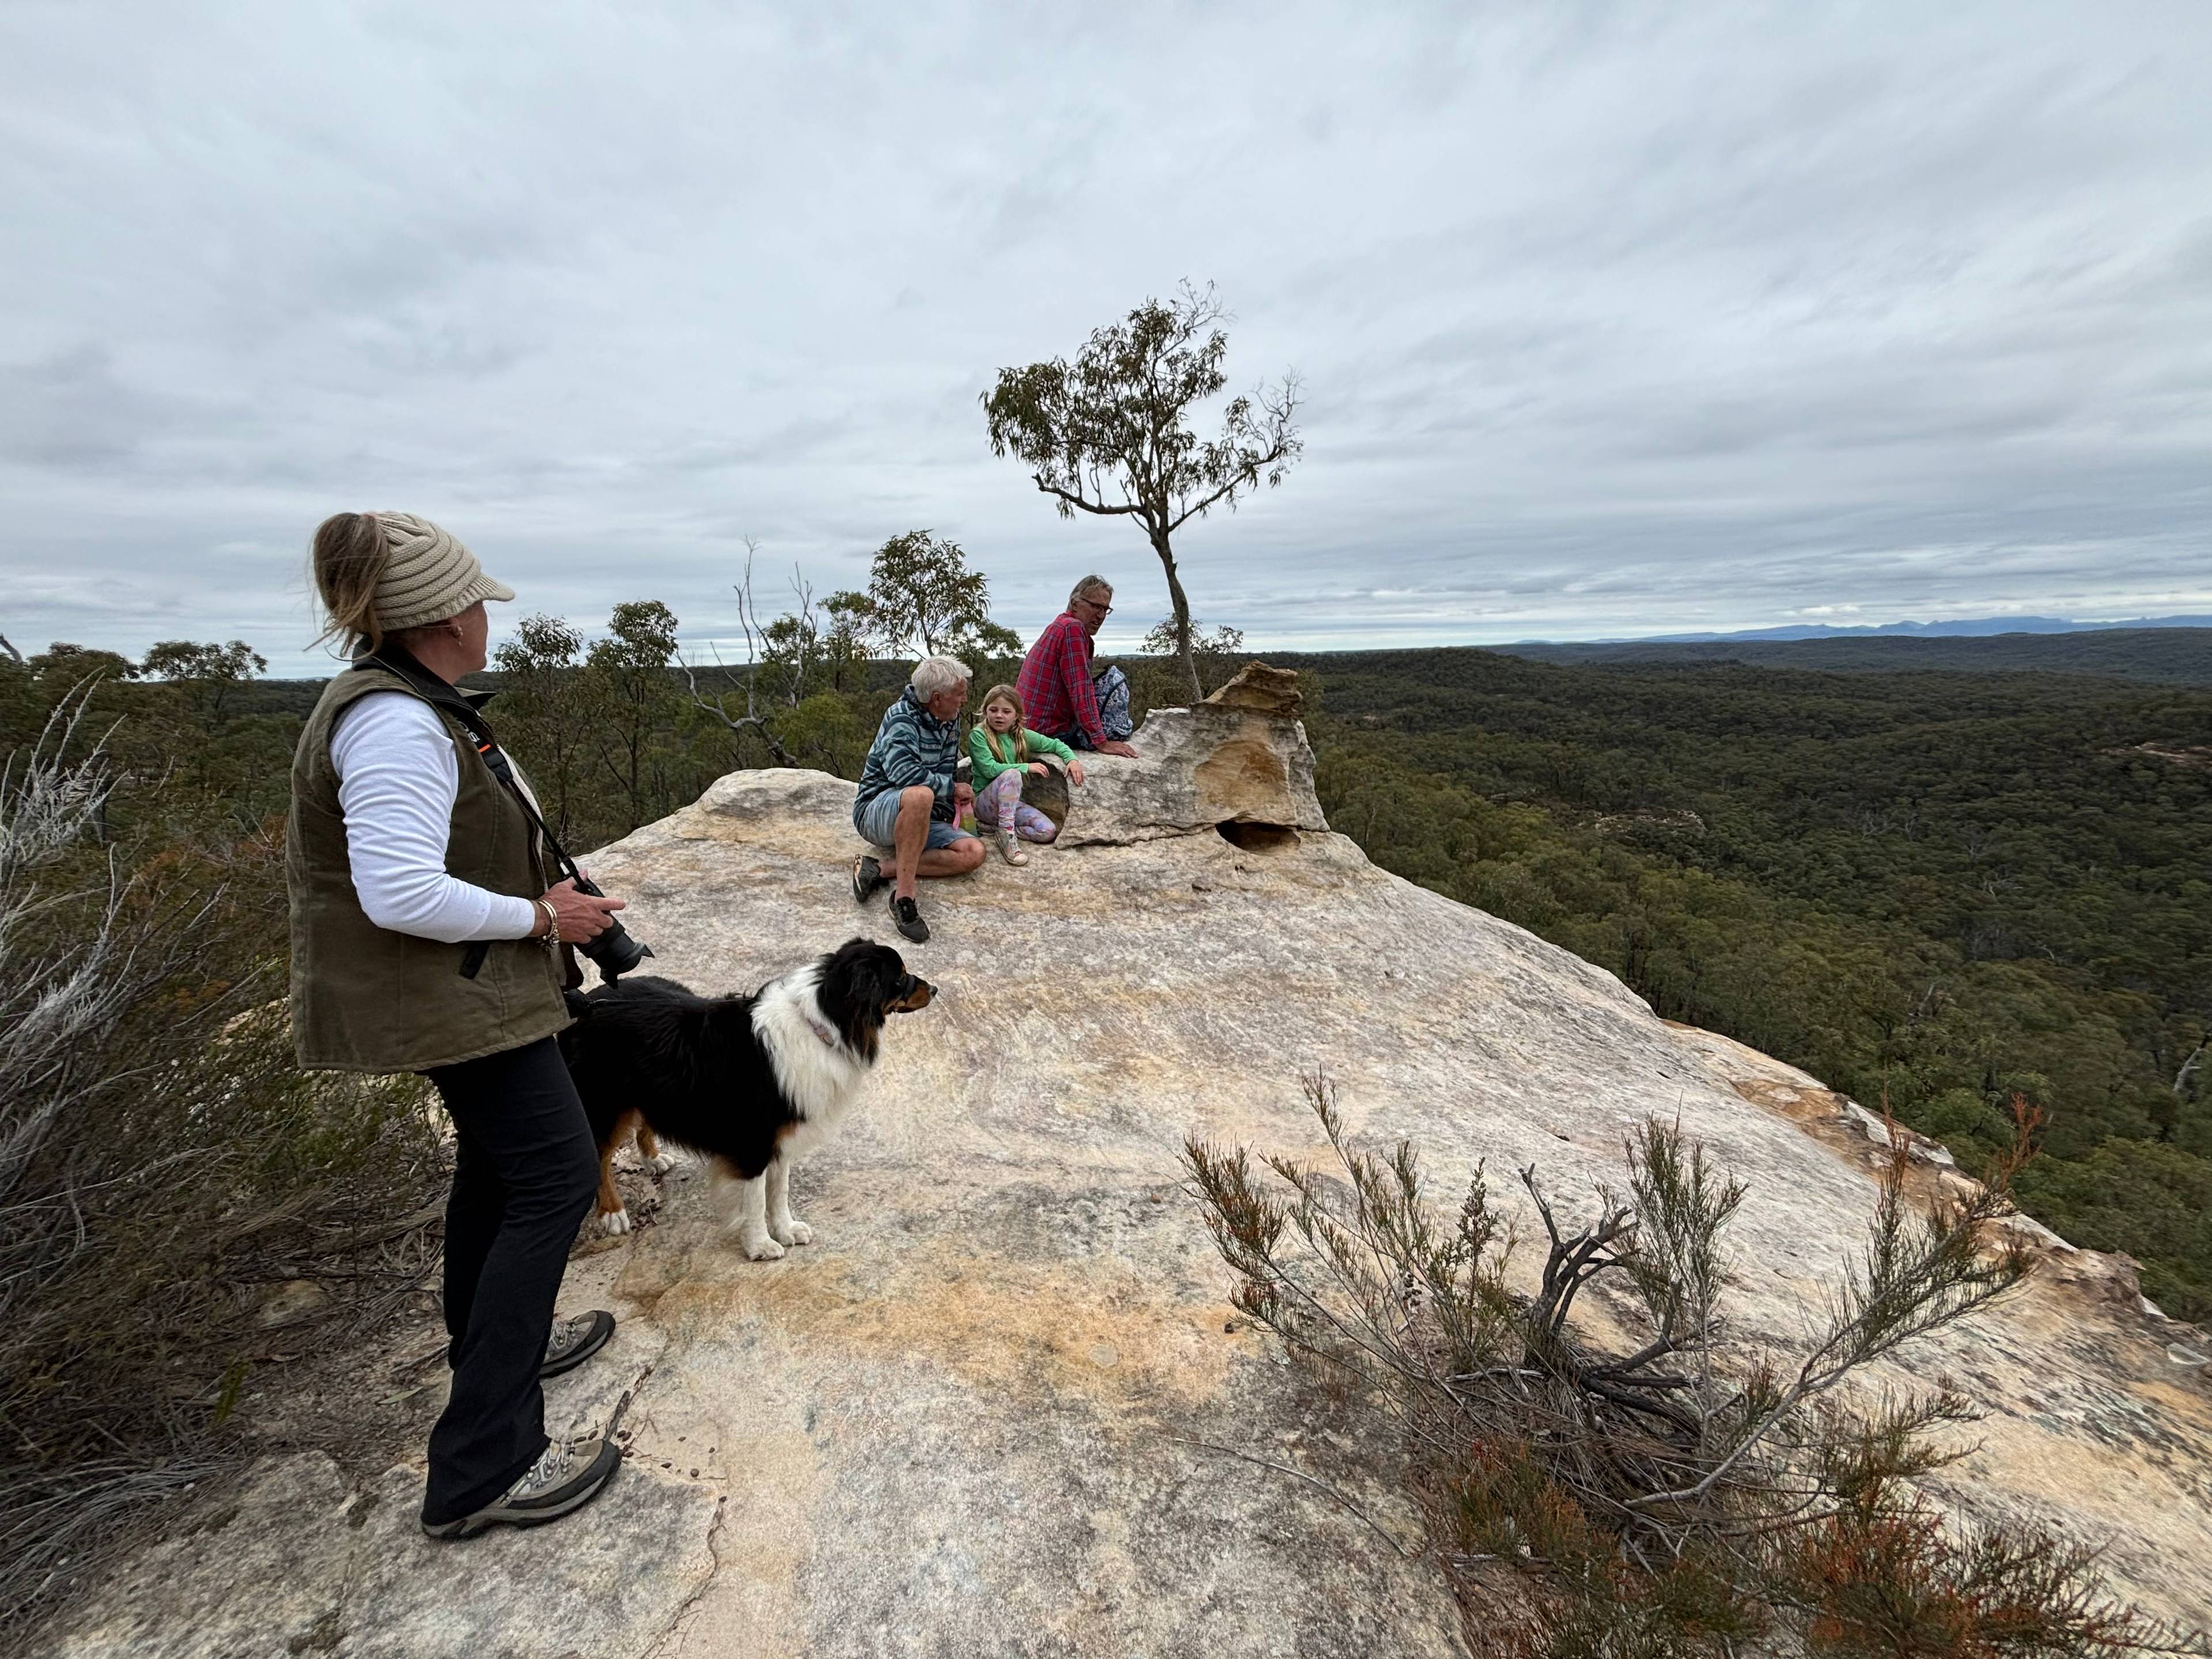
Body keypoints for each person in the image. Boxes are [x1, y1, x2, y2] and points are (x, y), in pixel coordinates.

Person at [288, 511, 627, 1540]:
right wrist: (543, 916)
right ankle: (484, 1464)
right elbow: (397, 894)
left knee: (498, 1171)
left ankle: (493, 1345)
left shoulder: (417, 702)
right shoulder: (394, 722)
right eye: (480, 603)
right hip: (454, 998)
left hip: (470, 994)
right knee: (559, 1178)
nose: (489, 620)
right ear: (444, 617)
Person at [850, 655, 986, 942]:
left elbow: (947, 767)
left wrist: (958, 811)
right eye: (959, 694)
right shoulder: (901, 719)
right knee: (920, 795)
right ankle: (904, 898)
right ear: (937, 698)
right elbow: (906, 776)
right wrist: (951, 789)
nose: (964, 700)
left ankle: (880, 869)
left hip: (921, 812)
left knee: (974, 852)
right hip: (876, 812)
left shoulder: (949, 718)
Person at [1016, 575, 1140, 759]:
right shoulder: (1072, 629)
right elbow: (1081, 690)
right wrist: (1101, 742)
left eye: (1106, 609)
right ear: (1075, 604)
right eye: (1096, 606)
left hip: (1027, 728)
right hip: (1047, 734)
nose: (1101, 615)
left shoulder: (1061, 624)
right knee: (1115, 679)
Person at [967, 683, 1084, 866]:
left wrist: (1072, 760)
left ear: (1016, 716)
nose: (999, 715)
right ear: (985, 711)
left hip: (1009, 807)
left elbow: (1055, 745)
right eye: (993, 710)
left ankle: (998, 830)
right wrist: (1026, 767)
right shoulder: (979, 735)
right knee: (1012, 774)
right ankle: (1007, 836)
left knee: (1047, 831)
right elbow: (989, 769)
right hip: (984, 803)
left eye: (1006, 711)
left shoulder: (1022, 736)